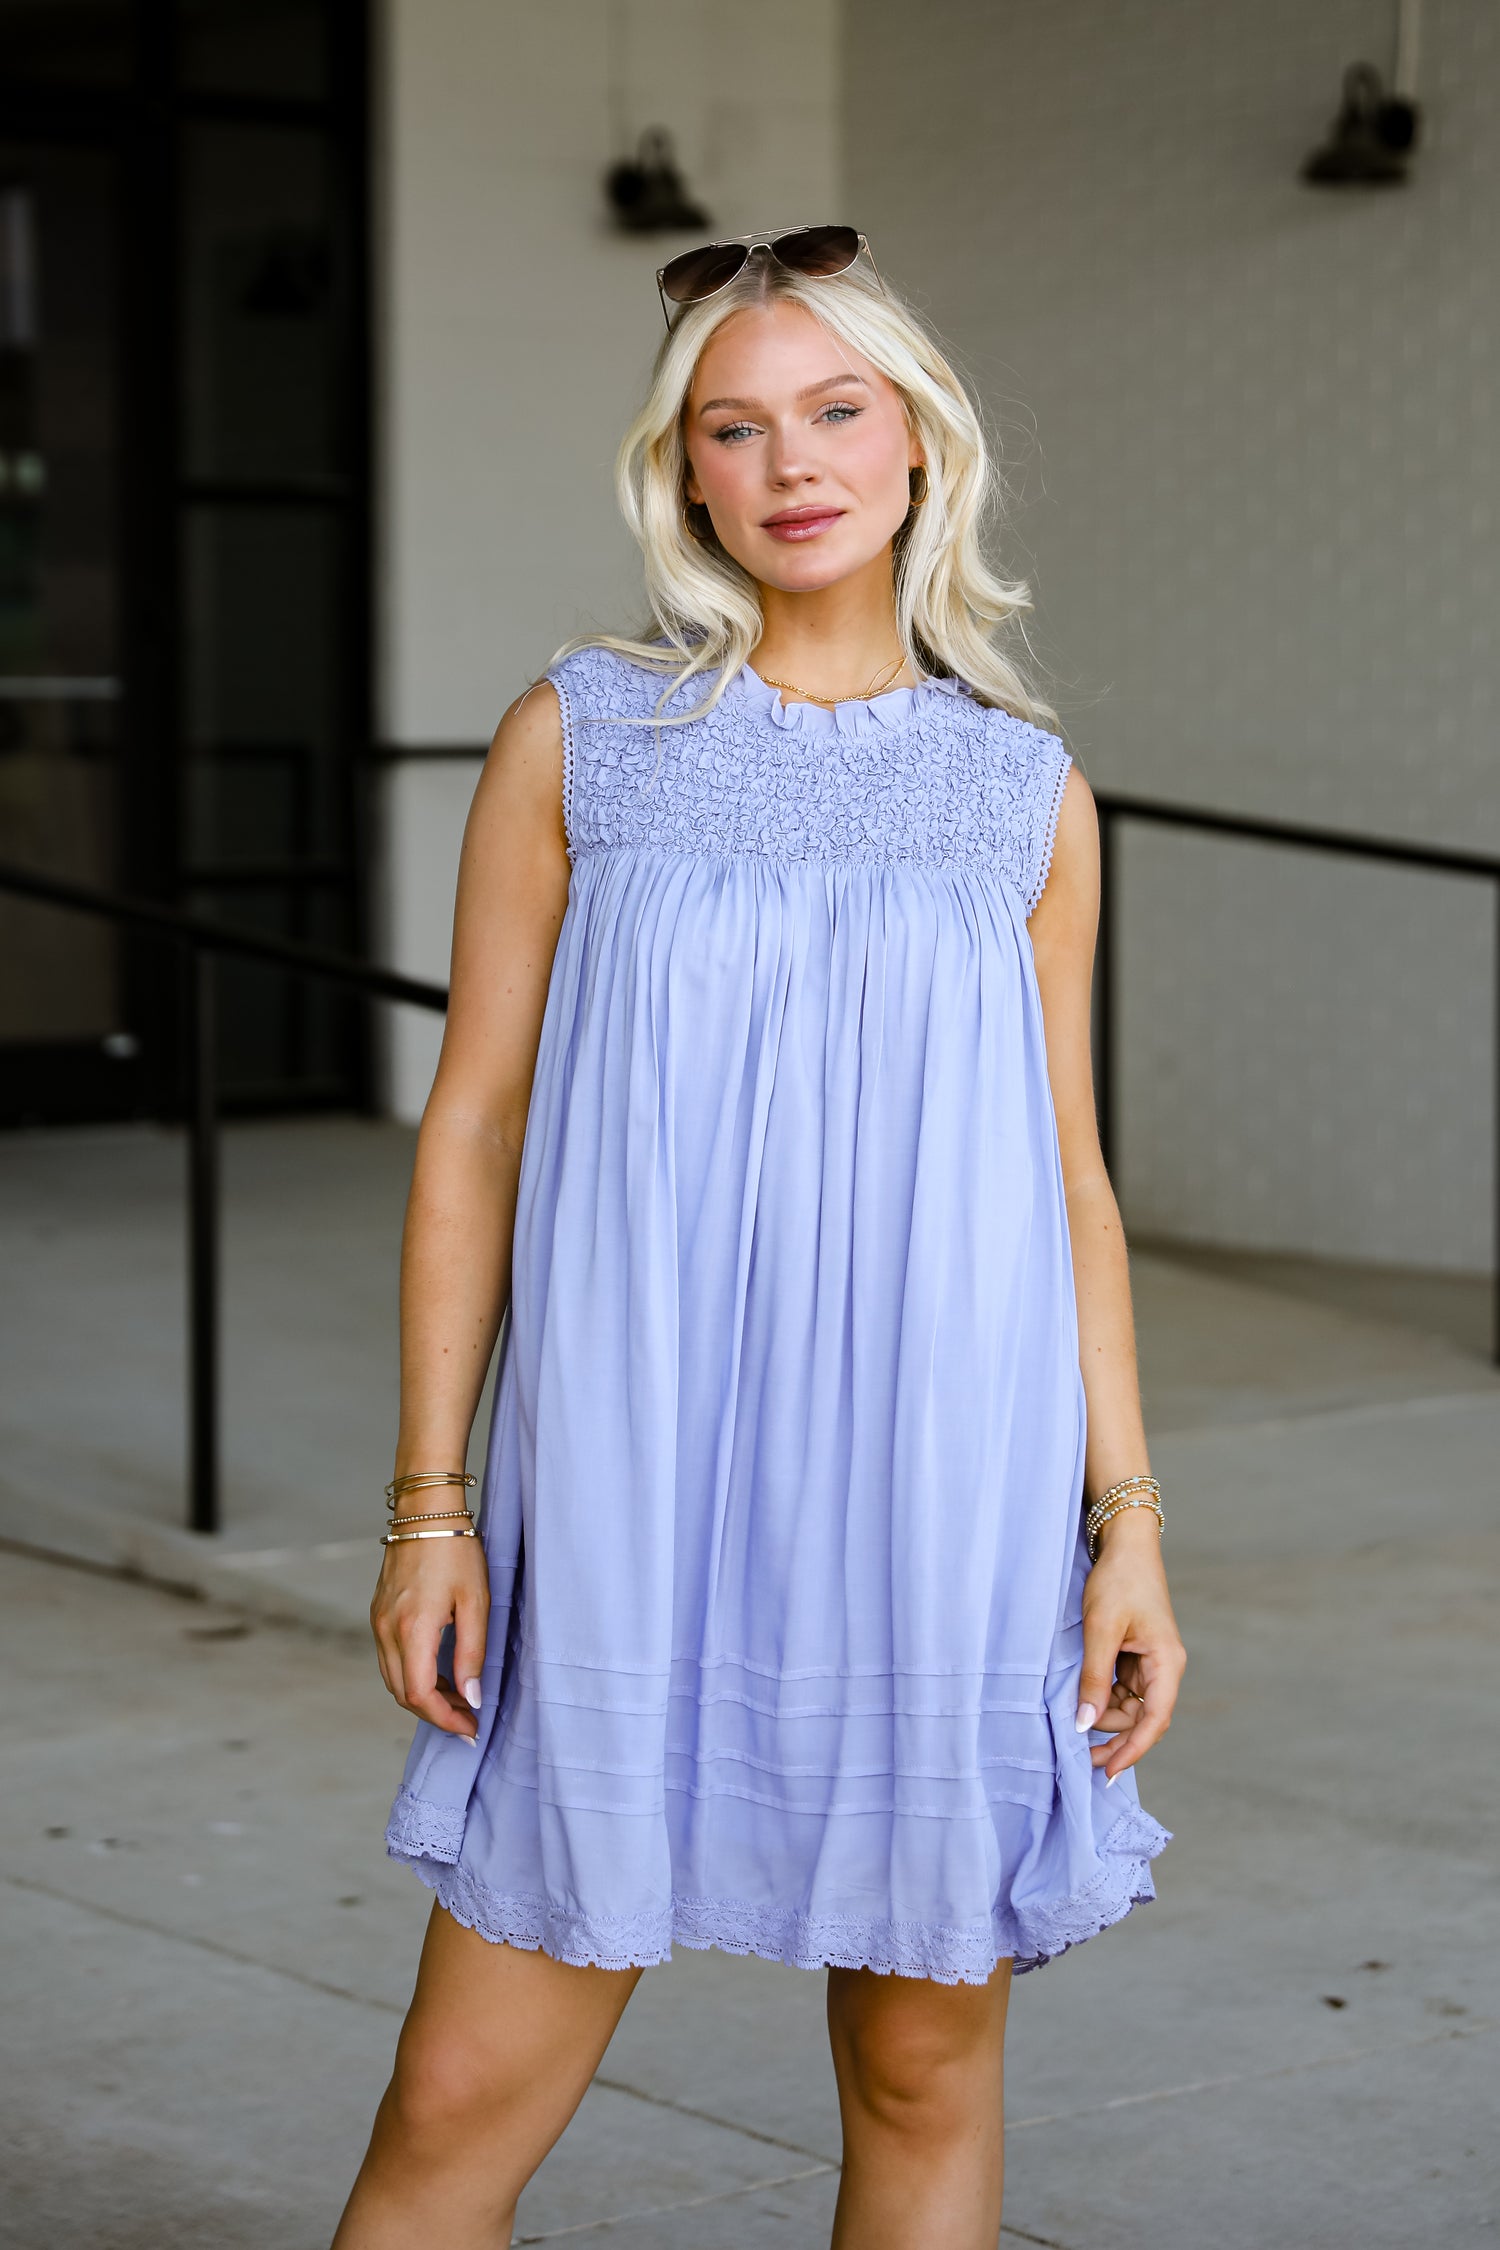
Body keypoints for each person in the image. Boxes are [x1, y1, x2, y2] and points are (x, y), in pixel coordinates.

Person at [333, 225, 1185, 2250]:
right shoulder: (581, 740)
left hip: (940, 1502)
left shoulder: (1026, 794)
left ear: (920, 442)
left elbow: (1070, 1176)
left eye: (836, 409)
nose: (792, 461)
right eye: (736, 426)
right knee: (459, 2095)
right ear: (685, 475)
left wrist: (1128, 1520)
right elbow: (472, 1132)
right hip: (627, 1492)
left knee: (919, 2073)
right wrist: (433, 1504)